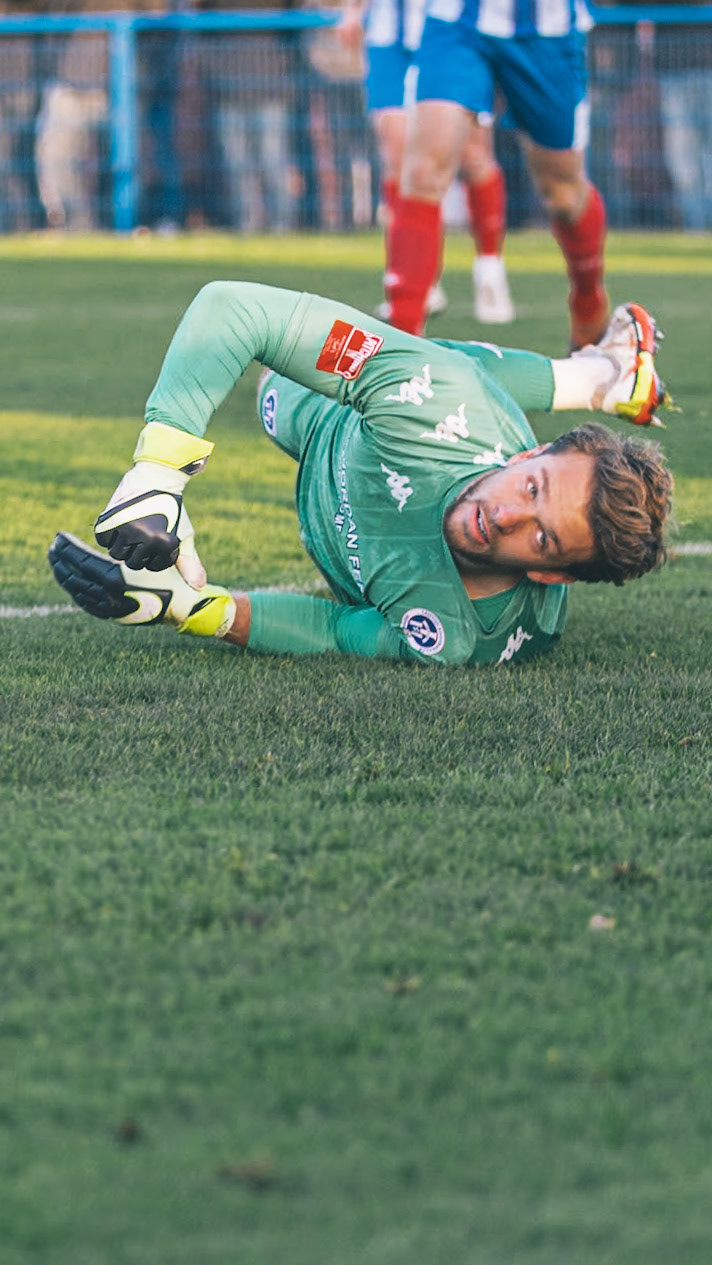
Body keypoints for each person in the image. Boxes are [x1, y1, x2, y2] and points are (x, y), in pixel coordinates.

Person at [50, 283, 670, 669]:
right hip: (335, 421)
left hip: (414, 430)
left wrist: (192, 608)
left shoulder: (463, 637)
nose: (506, 515)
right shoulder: (436, 400)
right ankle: (597, 379)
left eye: (542, 537)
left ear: (551, 574)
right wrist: (159, 472)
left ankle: (605, 381)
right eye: (532, 488)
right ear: (523, 456)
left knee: (442, 372)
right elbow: (232, 310)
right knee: (391, 378)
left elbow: (338, 630)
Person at [385, 0, 610, 349]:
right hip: (456, 24)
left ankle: (587, 298)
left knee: (563, 195)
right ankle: (401, 346)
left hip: (547, 33)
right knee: (423, 172)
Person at [340, 0, 514, 322]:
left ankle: (490, 267)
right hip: (390, 38)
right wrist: (352, 11)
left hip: (455, 33)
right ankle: (415, 282)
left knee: (473, 155)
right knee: (399, 155)